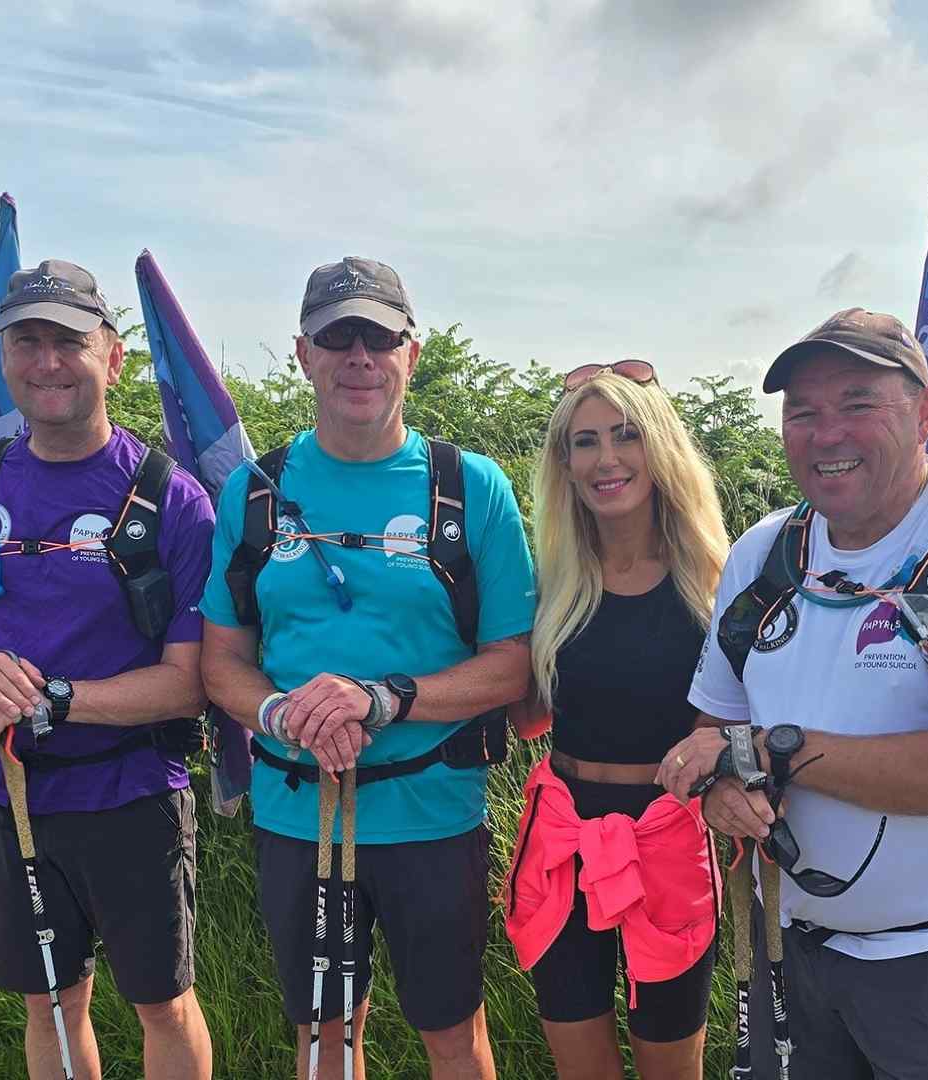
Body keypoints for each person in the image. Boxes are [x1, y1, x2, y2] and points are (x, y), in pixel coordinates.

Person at [656, 308, 928, 1079]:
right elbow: (713, 728)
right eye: (803, 413)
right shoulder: (764, 552)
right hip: (787, 952)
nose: (826, 433)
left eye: (856, 404)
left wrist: (773, 750)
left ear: (925, 413)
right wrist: (720, 787)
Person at [200, 256, 536, 1080]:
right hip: (296, 816)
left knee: (453, 1035)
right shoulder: (254, 492)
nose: (359, 356)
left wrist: (382, 700)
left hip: (432, 817)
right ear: (303, 354)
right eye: (337, 336)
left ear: (410, 355)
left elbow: (512, 667)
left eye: (378, 337)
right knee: (322, 1039)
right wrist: (285, 715)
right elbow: (222, 662)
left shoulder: (471, 488)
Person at [0, 259, 216, 1080]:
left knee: (162, 1002)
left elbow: (190, 679)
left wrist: (55, 699)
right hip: (9, 790)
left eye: (69, 341)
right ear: (3, 356)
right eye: (27, 342)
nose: (46, 362)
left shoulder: (171, 498)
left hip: (134, 793)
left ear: (112, 357)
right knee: (50, 1000)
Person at [501, 359, 729, 1080]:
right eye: (585, 442)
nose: (607, 459)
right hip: (563, 836)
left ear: (659, 449)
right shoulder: (552, 583)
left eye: (625, 436)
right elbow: (529, 717)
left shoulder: (715, 582)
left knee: (671, 1069)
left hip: (669, 834)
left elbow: (730, 725)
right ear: (564, 465)